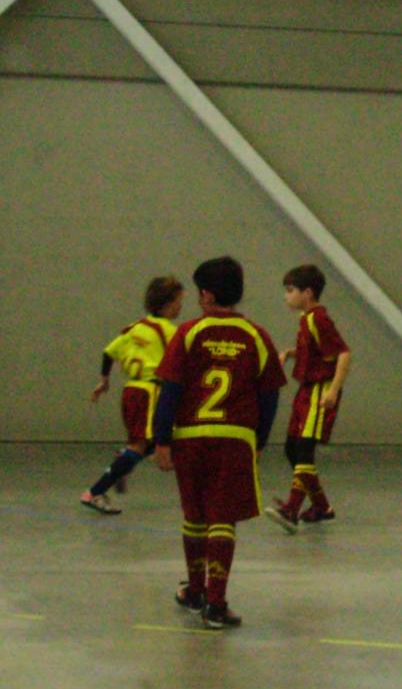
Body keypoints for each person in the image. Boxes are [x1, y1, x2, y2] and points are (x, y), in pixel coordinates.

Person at [153, 257, 287, 629]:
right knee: (222, 518)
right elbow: (270, 394)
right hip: (235, 438)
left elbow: (171, 390)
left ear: (207, 295)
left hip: (191, 437)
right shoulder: (256, 336)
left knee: (194, 516)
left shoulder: (189, 333)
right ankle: (216, 603)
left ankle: (195, 591)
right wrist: (259, 440)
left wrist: (161, 439)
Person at [80, 276, 184, 514]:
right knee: (145, 444)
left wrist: (104, 380)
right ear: (168, 304)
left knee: (149, 442)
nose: (180, 307)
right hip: (150, 392)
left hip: (131, 390)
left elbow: (109, 352)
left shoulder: (135, 327)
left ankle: (123, 462)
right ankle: (95, 491)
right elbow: (180, 362)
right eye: (178, 302)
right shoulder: (169, 331)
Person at [263, 265, 352, 533]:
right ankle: (322, 506)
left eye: (290, 291)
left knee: (303, 449)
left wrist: (333, 390)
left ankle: (291, 508)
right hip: (305, 391)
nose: (285, 297)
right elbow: (316, 351)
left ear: (308, 292)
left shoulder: (318, 319)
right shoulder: (307, 319)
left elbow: (343, 354)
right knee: (292, 448)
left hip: (319, 390)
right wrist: (292, 353)